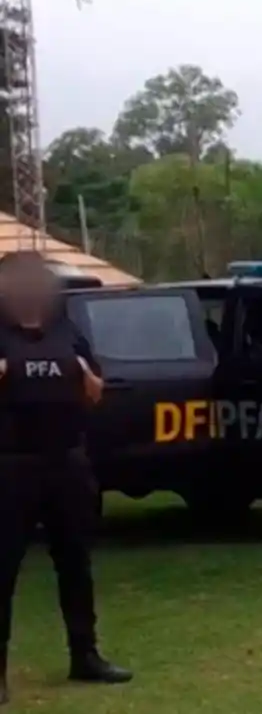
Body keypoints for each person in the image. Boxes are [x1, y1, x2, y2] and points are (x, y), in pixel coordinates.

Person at [0, 251, 132, 705]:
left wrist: (85, 376)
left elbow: (96, 392)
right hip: (12, 466)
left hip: (67, 463)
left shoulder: (65, 329)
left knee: (75, 563)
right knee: (4, 571)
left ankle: (86, 656)